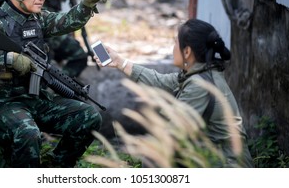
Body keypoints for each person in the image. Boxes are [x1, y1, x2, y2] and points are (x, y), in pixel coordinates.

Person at [0, 0, 113, 167]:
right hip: (1, 104)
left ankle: (56, 169)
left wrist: (86, 5)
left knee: (89, 116)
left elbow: (66, 21)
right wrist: (9, 60)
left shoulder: (37, 19)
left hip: (37, 99)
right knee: (28, 133)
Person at [95, 18, 253, 168]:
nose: (173, 48)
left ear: (187, 52)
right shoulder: (200, 73)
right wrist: (120, 62)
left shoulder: (199, 85)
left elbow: (172, 136)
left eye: (175, 43)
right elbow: (160, 81)